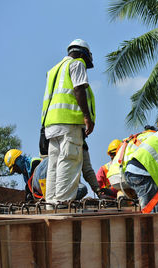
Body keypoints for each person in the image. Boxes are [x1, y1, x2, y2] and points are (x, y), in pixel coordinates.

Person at [41, 38, 96, 206]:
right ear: (82, 54)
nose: (85, 65)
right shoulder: (77, 64)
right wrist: (87, 116)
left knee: (54, 165)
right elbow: (78, 89)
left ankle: (51, 205)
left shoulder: (53, 70)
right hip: (68, 123)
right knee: (69, 161)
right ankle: (63, 204)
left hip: (51, 125)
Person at [4, 149, 103, 201]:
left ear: (17, 161)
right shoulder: (26, 172)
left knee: (82, 189)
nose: (16, 171)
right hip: (49, 191)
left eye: (14, 168)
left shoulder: (35, 164)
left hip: (52, 188)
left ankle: (59, 198)